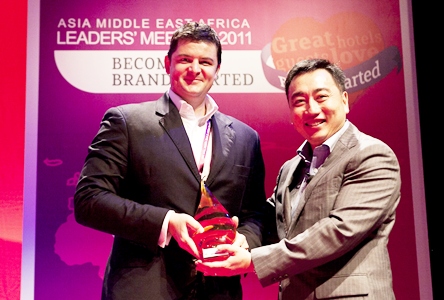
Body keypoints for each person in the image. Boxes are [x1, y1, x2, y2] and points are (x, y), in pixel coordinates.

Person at [74, 21, 267, 300]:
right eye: (184, 59)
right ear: (167, 63)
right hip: (144, 288)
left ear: (217, 70)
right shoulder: (127, 123)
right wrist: (165, 221)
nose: (195, 69)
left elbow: (256, 214)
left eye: (205, 61)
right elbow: (89, 200)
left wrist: (244, 241)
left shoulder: (246, 137)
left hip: (218, 289)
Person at [195, 58, 401, 300]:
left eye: (321, 97)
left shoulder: (371, 155)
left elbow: (339, 231)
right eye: (299, 101)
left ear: (345, 101)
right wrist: (241, 239)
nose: (311, 109)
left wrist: (252, 261)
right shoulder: (291, 168)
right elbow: (269, 219)